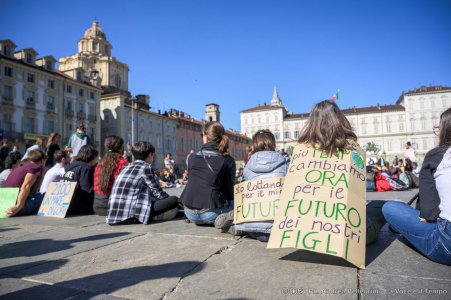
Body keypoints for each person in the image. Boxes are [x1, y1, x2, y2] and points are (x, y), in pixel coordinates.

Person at [383, 107, 451, 265]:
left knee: (390, 207)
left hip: (446, 243)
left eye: (438, 129)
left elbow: (429, 213)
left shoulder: (438, 154)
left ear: (446, 130)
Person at [216, 129, 289, 240]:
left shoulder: (248, 166)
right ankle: (240, 225)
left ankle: (239, 226)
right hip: (280, 229)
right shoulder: (285, 162)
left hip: (253, 227)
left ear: (254, 146)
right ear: (273, 144)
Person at [107, 141, 179, 225]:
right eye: (153, 155)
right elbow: (159, 193)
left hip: (113, 216)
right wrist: (171, 202)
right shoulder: (145, 167)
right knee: (174, 199)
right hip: (131, 216)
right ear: (149, 155)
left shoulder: (125, 168)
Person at [180, 121, 236, 225]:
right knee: (235, 203)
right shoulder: (227, 160)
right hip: (211, 213)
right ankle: (227, 220)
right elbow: (229, 190)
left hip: (189, 212)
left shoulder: (191, 158)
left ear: (205, 137)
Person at [4, 150, 47, 216]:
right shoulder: (35, 167)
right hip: (16, 206)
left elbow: (32, 192)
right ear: (42, 160)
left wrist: (40, 177)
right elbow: (26, 186)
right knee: (46, 196)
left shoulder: (21, 167)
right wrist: (18, 206)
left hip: (5, 204)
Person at [93, 136, 128, 216]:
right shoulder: (122, 162)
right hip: (114, 207)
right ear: (120, 148)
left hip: (97, 206)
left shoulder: (100, 163)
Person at [61, 145, 98, 215]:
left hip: (65, 205)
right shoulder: (85, 168)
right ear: (92, 157)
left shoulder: (70, 167)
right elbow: (87, 190)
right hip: (77, 206)